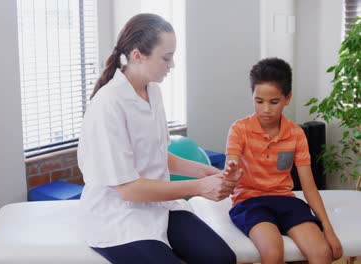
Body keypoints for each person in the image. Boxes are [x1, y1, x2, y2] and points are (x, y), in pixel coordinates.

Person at [77, 13, 241, 264]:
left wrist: (206, 172)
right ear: (137, 55)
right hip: (118, 217)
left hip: (157, 205)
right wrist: (198, 188)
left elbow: (158, 154)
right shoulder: (108, 105)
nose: (172, 64)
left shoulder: (152, 91)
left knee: (221, 259)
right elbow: (128, 189)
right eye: (166, 57)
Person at [225, 57, 343, 264]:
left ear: (287, 98)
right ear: (252, 96)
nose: (266, 110)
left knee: (322, 253)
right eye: (259, 101)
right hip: (249, 202)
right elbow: (230, 166)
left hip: (285, 200)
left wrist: (328, 229)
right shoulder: (239, 129)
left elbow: (309, 187)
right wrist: (231, 176)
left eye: (274, 102)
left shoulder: (296, 134)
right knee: (272, 253)